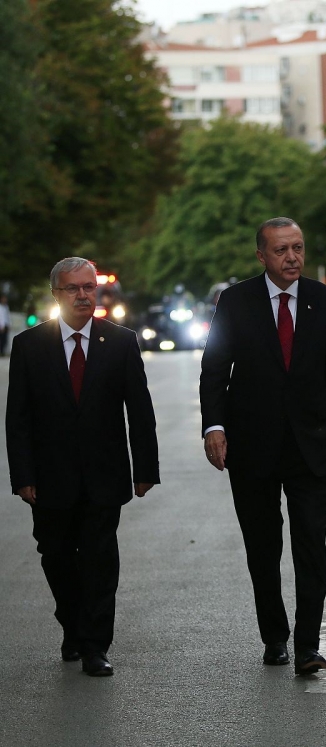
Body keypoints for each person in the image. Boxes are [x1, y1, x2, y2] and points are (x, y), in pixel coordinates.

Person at [200, 217, 326, 676]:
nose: (292, 258)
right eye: (281, 250)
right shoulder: (235, 301)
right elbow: (214, 368)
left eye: (298, 248)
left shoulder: (325, 300)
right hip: (252, 447)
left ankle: (308, 646)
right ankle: (274, 637)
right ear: (261, 256)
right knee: (262, 548)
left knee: (311, 544)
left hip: (314, 446)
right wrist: (214, 426)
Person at [6, 257, 159, 676]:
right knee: (55, 555)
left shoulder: (121, 341)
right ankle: (72, 624)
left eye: (89, 287)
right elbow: (18, 419)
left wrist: (145, 469)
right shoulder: (29, 345)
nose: (82, 295)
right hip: (49, 477)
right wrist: (23, 476)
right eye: (72, 288)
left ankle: (95, 645)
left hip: (104, 474)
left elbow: (139, 411)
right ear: (56, 294)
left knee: (99, 559)